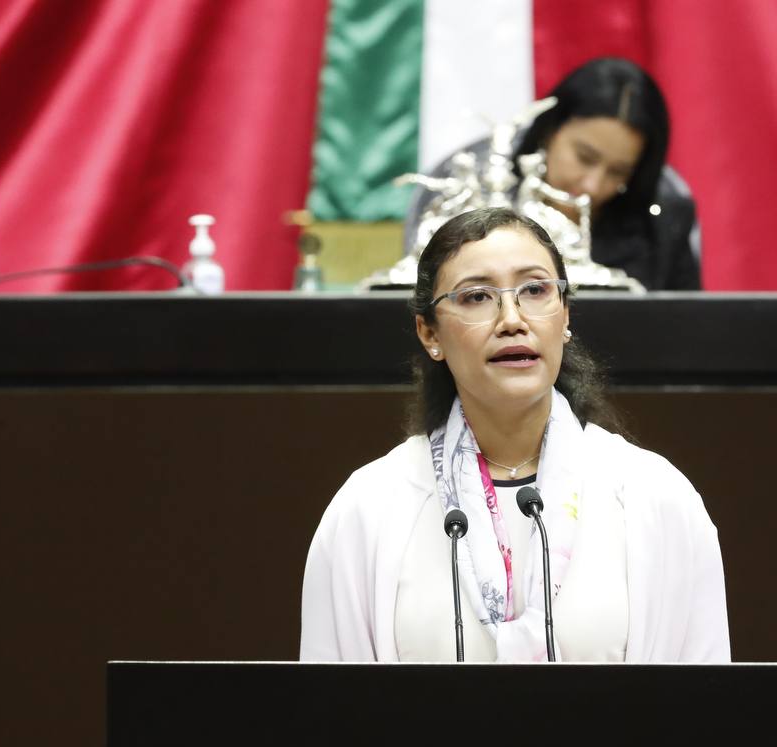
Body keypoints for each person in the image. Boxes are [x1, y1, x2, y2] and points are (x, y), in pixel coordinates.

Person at [300, 208, 728, 662]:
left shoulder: (654, 497)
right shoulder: (369, 508)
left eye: (535, 290)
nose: (512, 319)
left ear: (565, 314)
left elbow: (702, 696)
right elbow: (333, 700)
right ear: (429, 333)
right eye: (477, 297)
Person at [405, 57, 702, 291]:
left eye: (618, 172)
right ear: (549, 131)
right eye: (584, 157)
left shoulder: (663, 214)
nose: (593, 185)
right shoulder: (471, 189)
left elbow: (685, 328)